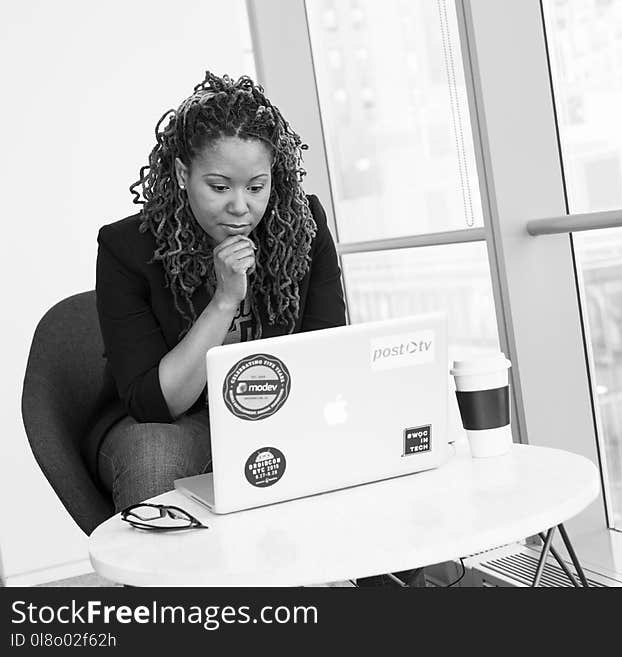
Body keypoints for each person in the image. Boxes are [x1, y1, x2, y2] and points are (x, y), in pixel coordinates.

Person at [87, 71, 422, 587]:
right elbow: (156, 403)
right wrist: (224, 300)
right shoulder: (127, 249)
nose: (240, 207)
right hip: (179, 422)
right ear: (181, 174)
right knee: (154, 454)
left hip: (282, 412)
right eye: (218, 187)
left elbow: (324, 352)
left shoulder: (301, 224)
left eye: (257, 186)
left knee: (381, 438)